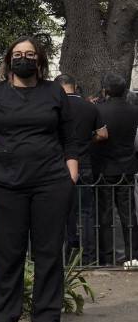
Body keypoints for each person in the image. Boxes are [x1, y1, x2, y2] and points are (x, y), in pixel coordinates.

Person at [0, 36, 78, 322]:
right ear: (9, 60)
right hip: (5, 185)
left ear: (40, 60)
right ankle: (4, 314)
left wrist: (71, 174)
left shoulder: (54, 92)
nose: (24, 58)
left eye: (30, 54)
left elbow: (70, 138)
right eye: (18, 54)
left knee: (48, 253)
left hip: (51, 183)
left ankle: (46, 317)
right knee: (8, 252)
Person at [54, 74, 106, 262]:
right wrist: (86, 142)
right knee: (86, 212)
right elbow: (103, 134)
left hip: (59, 166)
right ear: (74, 87)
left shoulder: (55, 108)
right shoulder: (89, 107)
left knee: (60, 212)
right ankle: (89, 256)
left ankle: (64, 255)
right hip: (84, 164)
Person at [92, 73, 138, 266]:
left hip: (104, 167)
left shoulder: (99, 110)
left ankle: (107, 256)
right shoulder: (134, 110)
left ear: (106, 90)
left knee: (105, 214)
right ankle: (132, 254)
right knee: (129, 213)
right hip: (127, 167)